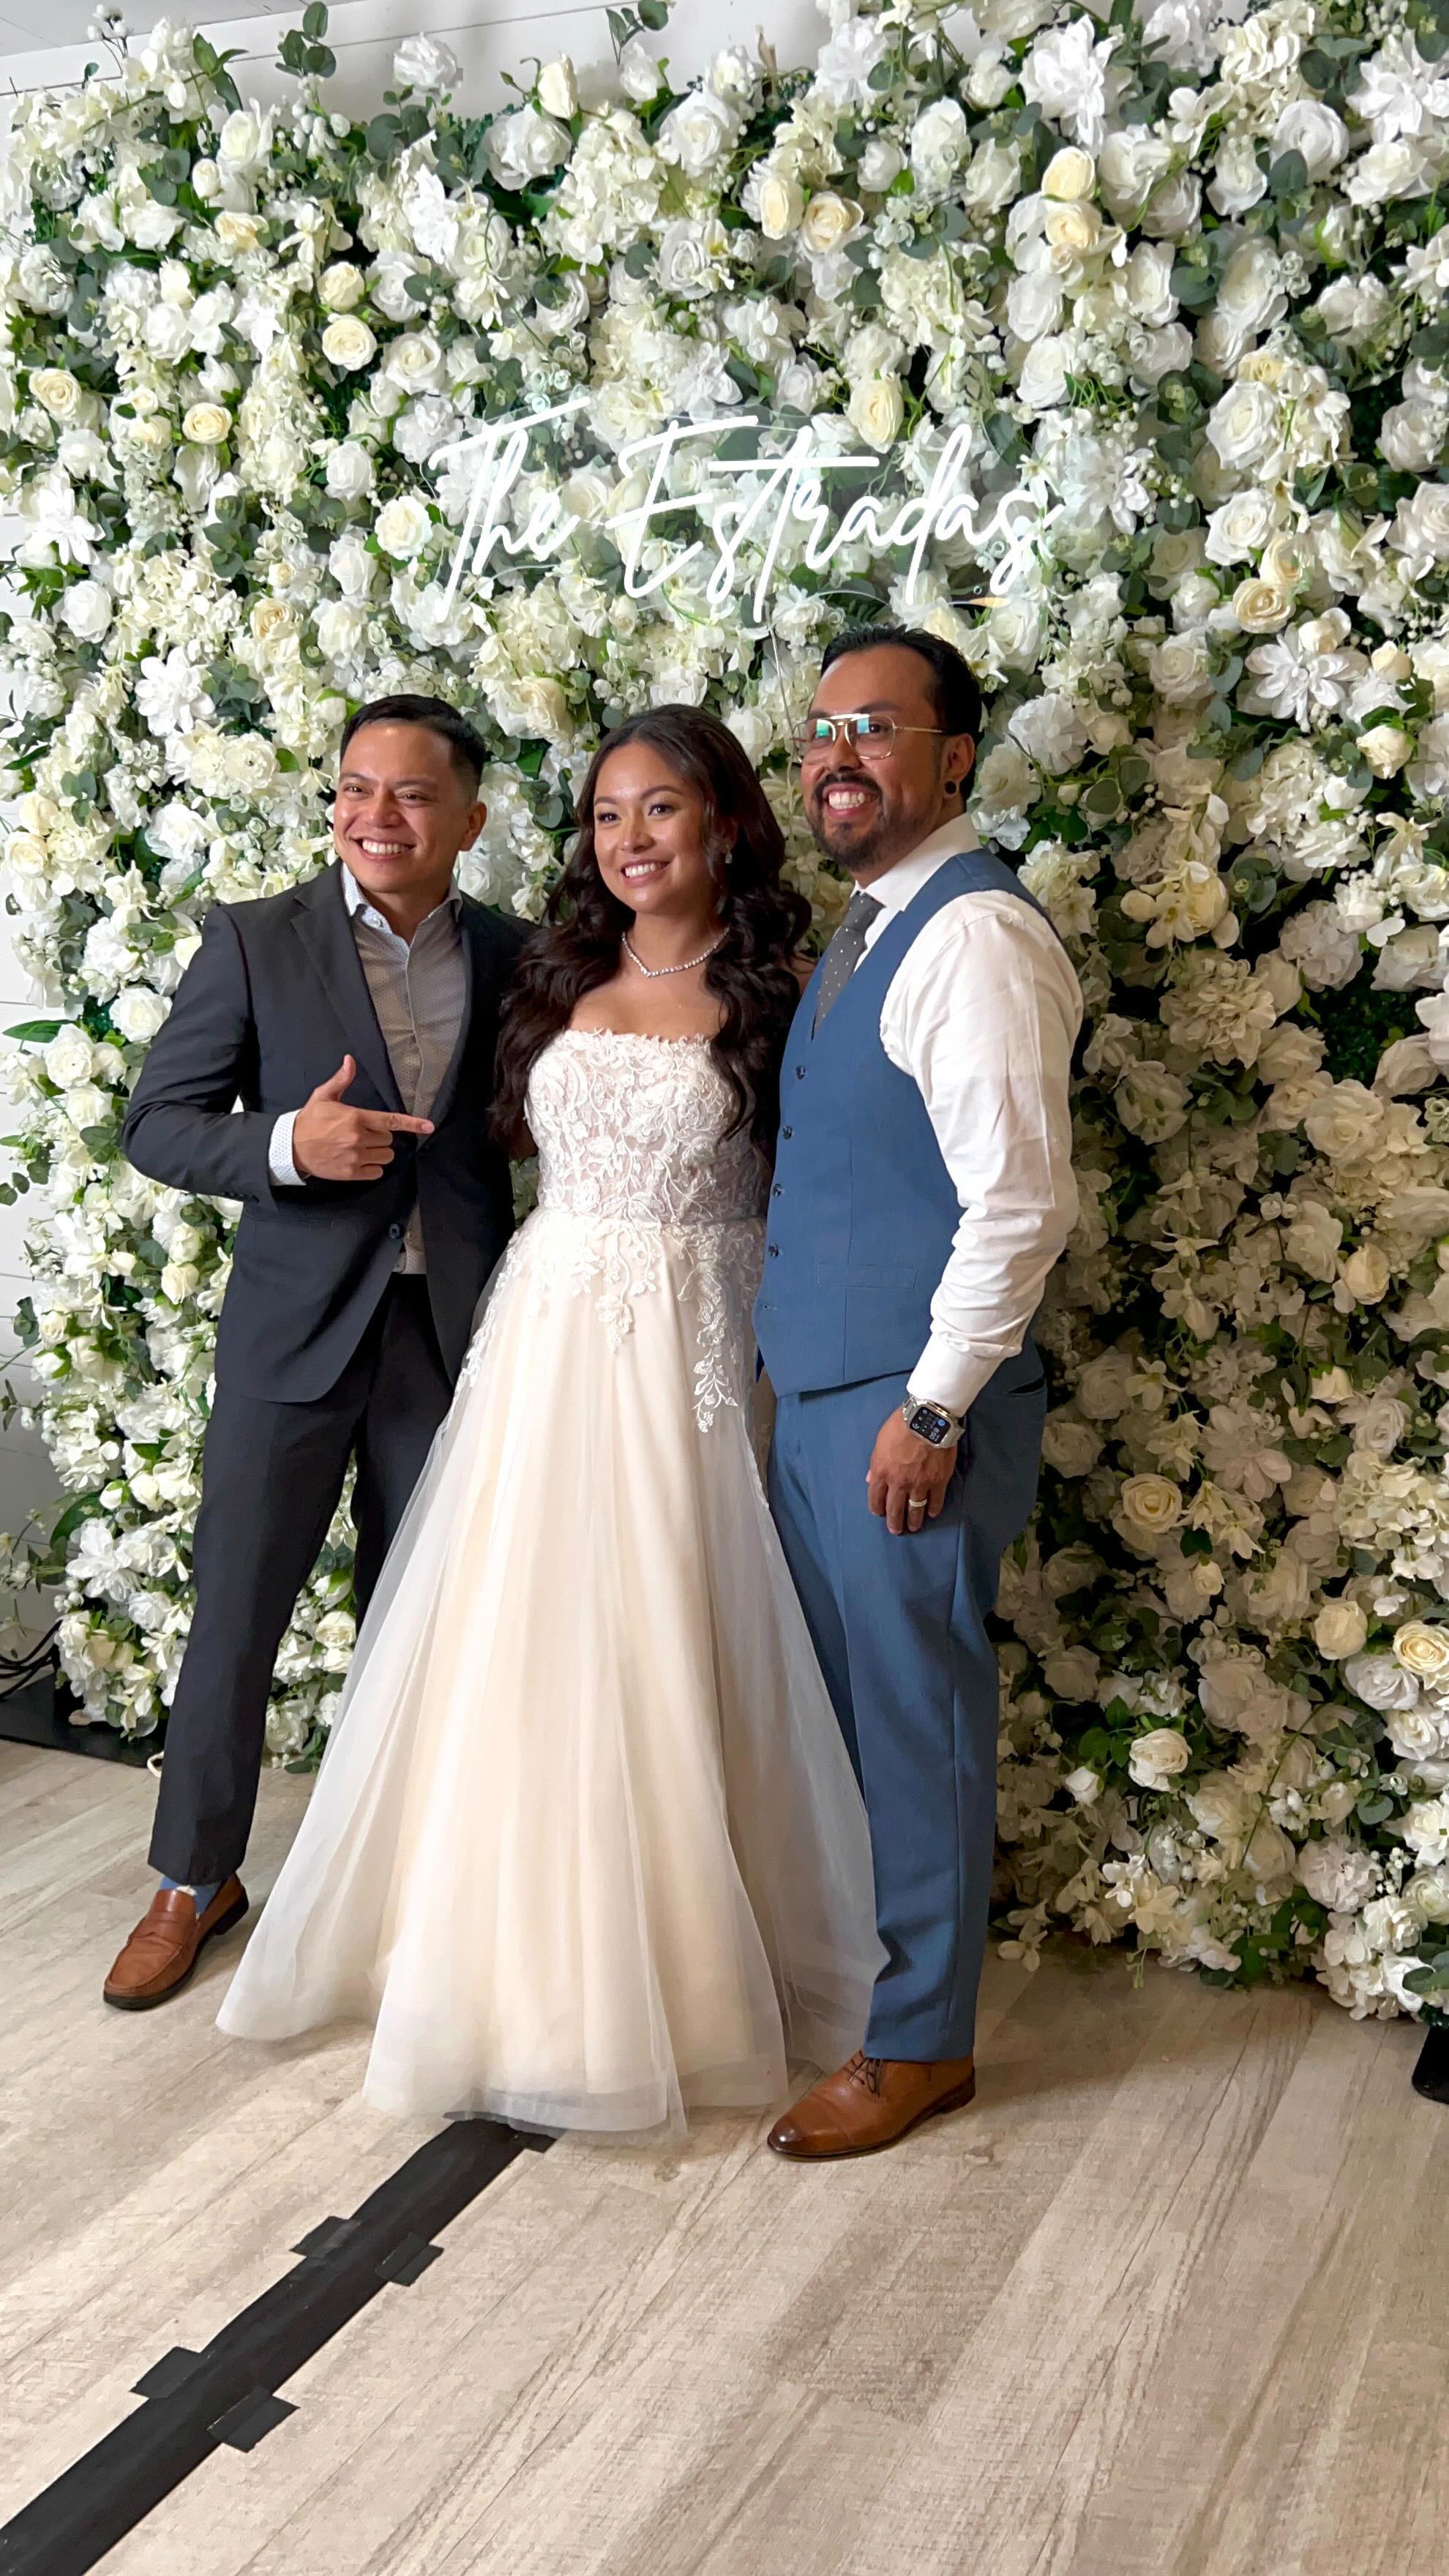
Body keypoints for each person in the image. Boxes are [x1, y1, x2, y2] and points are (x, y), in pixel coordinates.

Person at [216, 705, 880, 2135]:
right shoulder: (553, 964)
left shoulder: (793, 984)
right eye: (605, 815)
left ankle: (682, 1975)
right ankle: (494, 1952)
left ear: (722, 825)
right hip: (544, 1325)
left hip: (691, 1337)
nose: (631, 839)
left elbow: (833, 1185)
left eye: (661, 810)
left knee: (664, 1625)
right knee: (518, 1632)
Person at [103, 695, 528, 2011]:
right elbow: (158, 1123)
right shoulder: (253, 939)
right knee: (235, 1614)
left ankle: (398, 1888)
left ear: (469, 816)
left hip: (447, 1336)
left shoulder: (526, 954)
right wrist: (288, 1144)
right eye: (354, 790)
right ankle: (192, 1881)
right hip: (293, 1334)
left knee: (419, 1626)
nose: (374, 818)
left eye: (408, 796)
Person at [756, 626, 1083, 2159]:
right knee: (866, 1714)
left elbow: (1019, 1202)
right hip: (831, 1394)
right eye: (822, 730)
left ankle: (921, 2043)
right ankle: (889, 1992)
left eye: (874, 728)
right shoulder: (869, 927)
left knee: (919, 1720)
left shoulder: (974, 936)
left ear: (954, 757)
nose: (837, 756)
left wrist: (936, 1407)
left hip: (909, 1406)